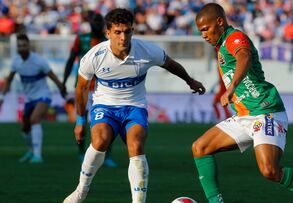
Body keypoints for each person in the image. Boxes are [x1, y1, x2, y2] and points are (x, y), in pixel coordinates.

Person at [191, 3, 293, 203]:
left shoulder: (234, 37)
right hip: (244, 116)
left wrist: (231, 87)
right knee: (200, 148)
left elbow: (244, 56)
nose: (204, 35)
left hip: (266, 111)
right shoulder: (221, 45)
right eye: (200, 32)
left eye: (206, 29)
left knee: (269, 170)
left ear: (220, 22)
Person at [63, 8, 205, 203]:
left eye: (127, 31)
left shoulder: (147, 50)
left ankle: (138, 201)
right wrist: (80, 121)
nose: (123, 37)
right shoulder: (94, 56)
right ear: (108, 33)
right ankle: (81, 191)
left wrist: (190, 80)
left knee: (136, 144)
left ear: (132, 31)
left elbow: (170, 64)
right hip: (105, 105)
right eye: (118, 32)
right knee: (100, 141)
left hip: (134, 106)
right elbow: (81, 88)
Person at [0, 33, 66, 163]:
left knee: (34, 119)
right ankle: (31, 151)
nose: (22, 47)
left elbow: (52, 75)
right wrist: (2, 95)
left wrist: (61, 88)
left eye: (24, 45)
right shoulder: (16, 61)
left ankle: (37, 155)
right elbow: (9, 79)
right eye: (20, 46)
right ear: (18, 47)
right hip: (29, 98)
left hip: (43, 95)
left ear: (28, 46)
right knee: (25, 127)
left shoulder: (39, 61)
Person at [63, 11, 118, 167]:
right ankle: (81, 153)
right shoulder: (81, 39)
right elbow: (70, 60)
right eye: (94, 22)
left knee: (108, 123)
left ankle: (107, 156)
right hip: (83, 86)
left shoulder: (107, 41)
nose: (96, 25)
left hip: (102, 87)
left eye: (98, 22)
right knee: (82, 121)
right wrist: (64, 81)